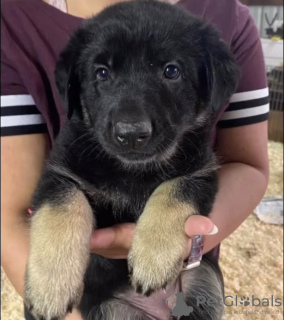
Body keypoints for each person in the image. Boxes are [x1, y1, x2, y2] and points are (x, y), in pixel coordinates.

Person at [1, 0, 269, 319]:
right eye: (103, 72)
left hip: (185, 290)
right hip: (85, 305)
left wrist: (184, 238)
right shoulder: (12, 20)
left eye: (171, 71)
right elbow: (20, 208)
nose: (131, 125)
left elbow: (242, 166)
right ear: (75, 85)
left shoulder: (227, 19)